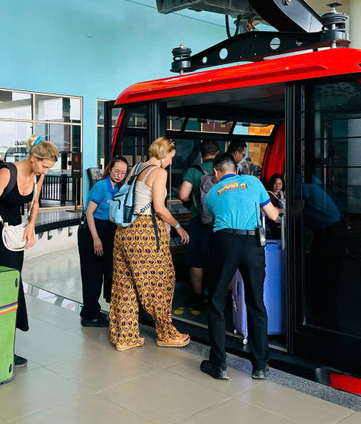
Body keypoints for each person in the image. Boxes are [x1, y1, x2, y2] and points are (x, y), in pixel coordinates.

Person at [0, 134, 59, 368]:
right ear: (32, 158)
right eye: (43, 166)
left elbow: (35, 203)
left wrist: (31, 225)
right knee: (1, 289)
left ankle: (4, 347)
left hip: (13, 234)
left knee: (11, 287)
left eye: (49, 168)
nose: (45, 172)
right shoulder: (6, 173)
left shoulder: (38, 176)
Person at [200, 152, 282, 381]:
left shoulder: (212, 193)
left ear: (216, 173)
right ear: (236, 169)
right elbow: (273, 214)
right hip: (252, 243)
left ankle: (219, 364)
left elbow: (215, 217)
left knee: (216, 301)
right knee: (256, 302)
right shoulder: (254, 182)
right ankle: (260, 366)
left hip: (225, 242)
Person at [109, 137, 191, 351]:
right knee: (160, 282)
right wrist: (178, 226)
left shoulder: (136, 167)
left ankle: (124, 337)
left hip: (124, 231)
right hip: (145, 234)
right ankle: (166, 333)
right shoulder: (159, 172)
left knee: (124, 284)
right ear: (164, 154)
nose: (171, 162)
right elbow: (159, 208)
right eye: (170, 158)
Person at [77, 156, 129, 327]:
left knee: (99, 273)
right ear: (109, 169)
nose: (120, 174)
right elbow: (89, 213)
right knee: (91, 274)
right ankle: (89, 317)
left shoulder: (117, 188)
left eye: (123, 172)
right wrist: (96, 239)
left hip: (106, 230)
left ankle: (91, 309)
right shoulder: (101, 186)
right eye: (117, 171)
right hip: (92, 232)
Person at [177, 139, 219, 310]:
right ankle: (222, 296)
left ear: (200, 154)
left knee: (196, 261)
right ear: (217, 153)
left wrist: (194, 202)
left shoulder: (193, 171)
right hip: (220, 223)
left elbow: (182, 195)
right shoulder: (222, 170)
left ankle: (197, 297)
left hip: (199, 221)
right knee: (220, 259)